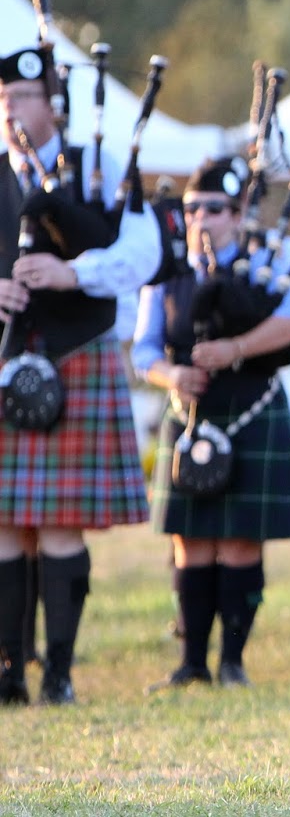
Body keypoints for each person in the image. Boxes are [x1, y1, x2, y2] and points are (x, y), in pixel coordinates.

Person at [0, 45, 160, 705]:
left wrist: (75, 273)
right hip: (7, 358)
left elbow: (145, 252)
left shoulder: (100, 169)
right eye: (3, 99)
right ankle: (8, 670)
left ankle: (58, 672)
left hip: (77, 350)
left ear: (53, 104)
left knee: (61, 522)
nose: (10, 108)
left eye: (23, 98)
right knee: (5, 523)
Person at [134, 157, 290, 689]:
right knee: (191, 539)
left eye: (214, 210)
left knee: (239, 540)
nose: (201, 219)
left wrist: (237, 346)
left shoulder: (267, 261)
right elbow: (144, 348)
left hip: (252, 402)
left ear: (237, 215)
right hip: (191, 409)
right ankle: (191, 663)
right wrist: (172, 375)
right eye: (192, 209)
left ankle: (232, 663)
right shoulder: (168, 271)